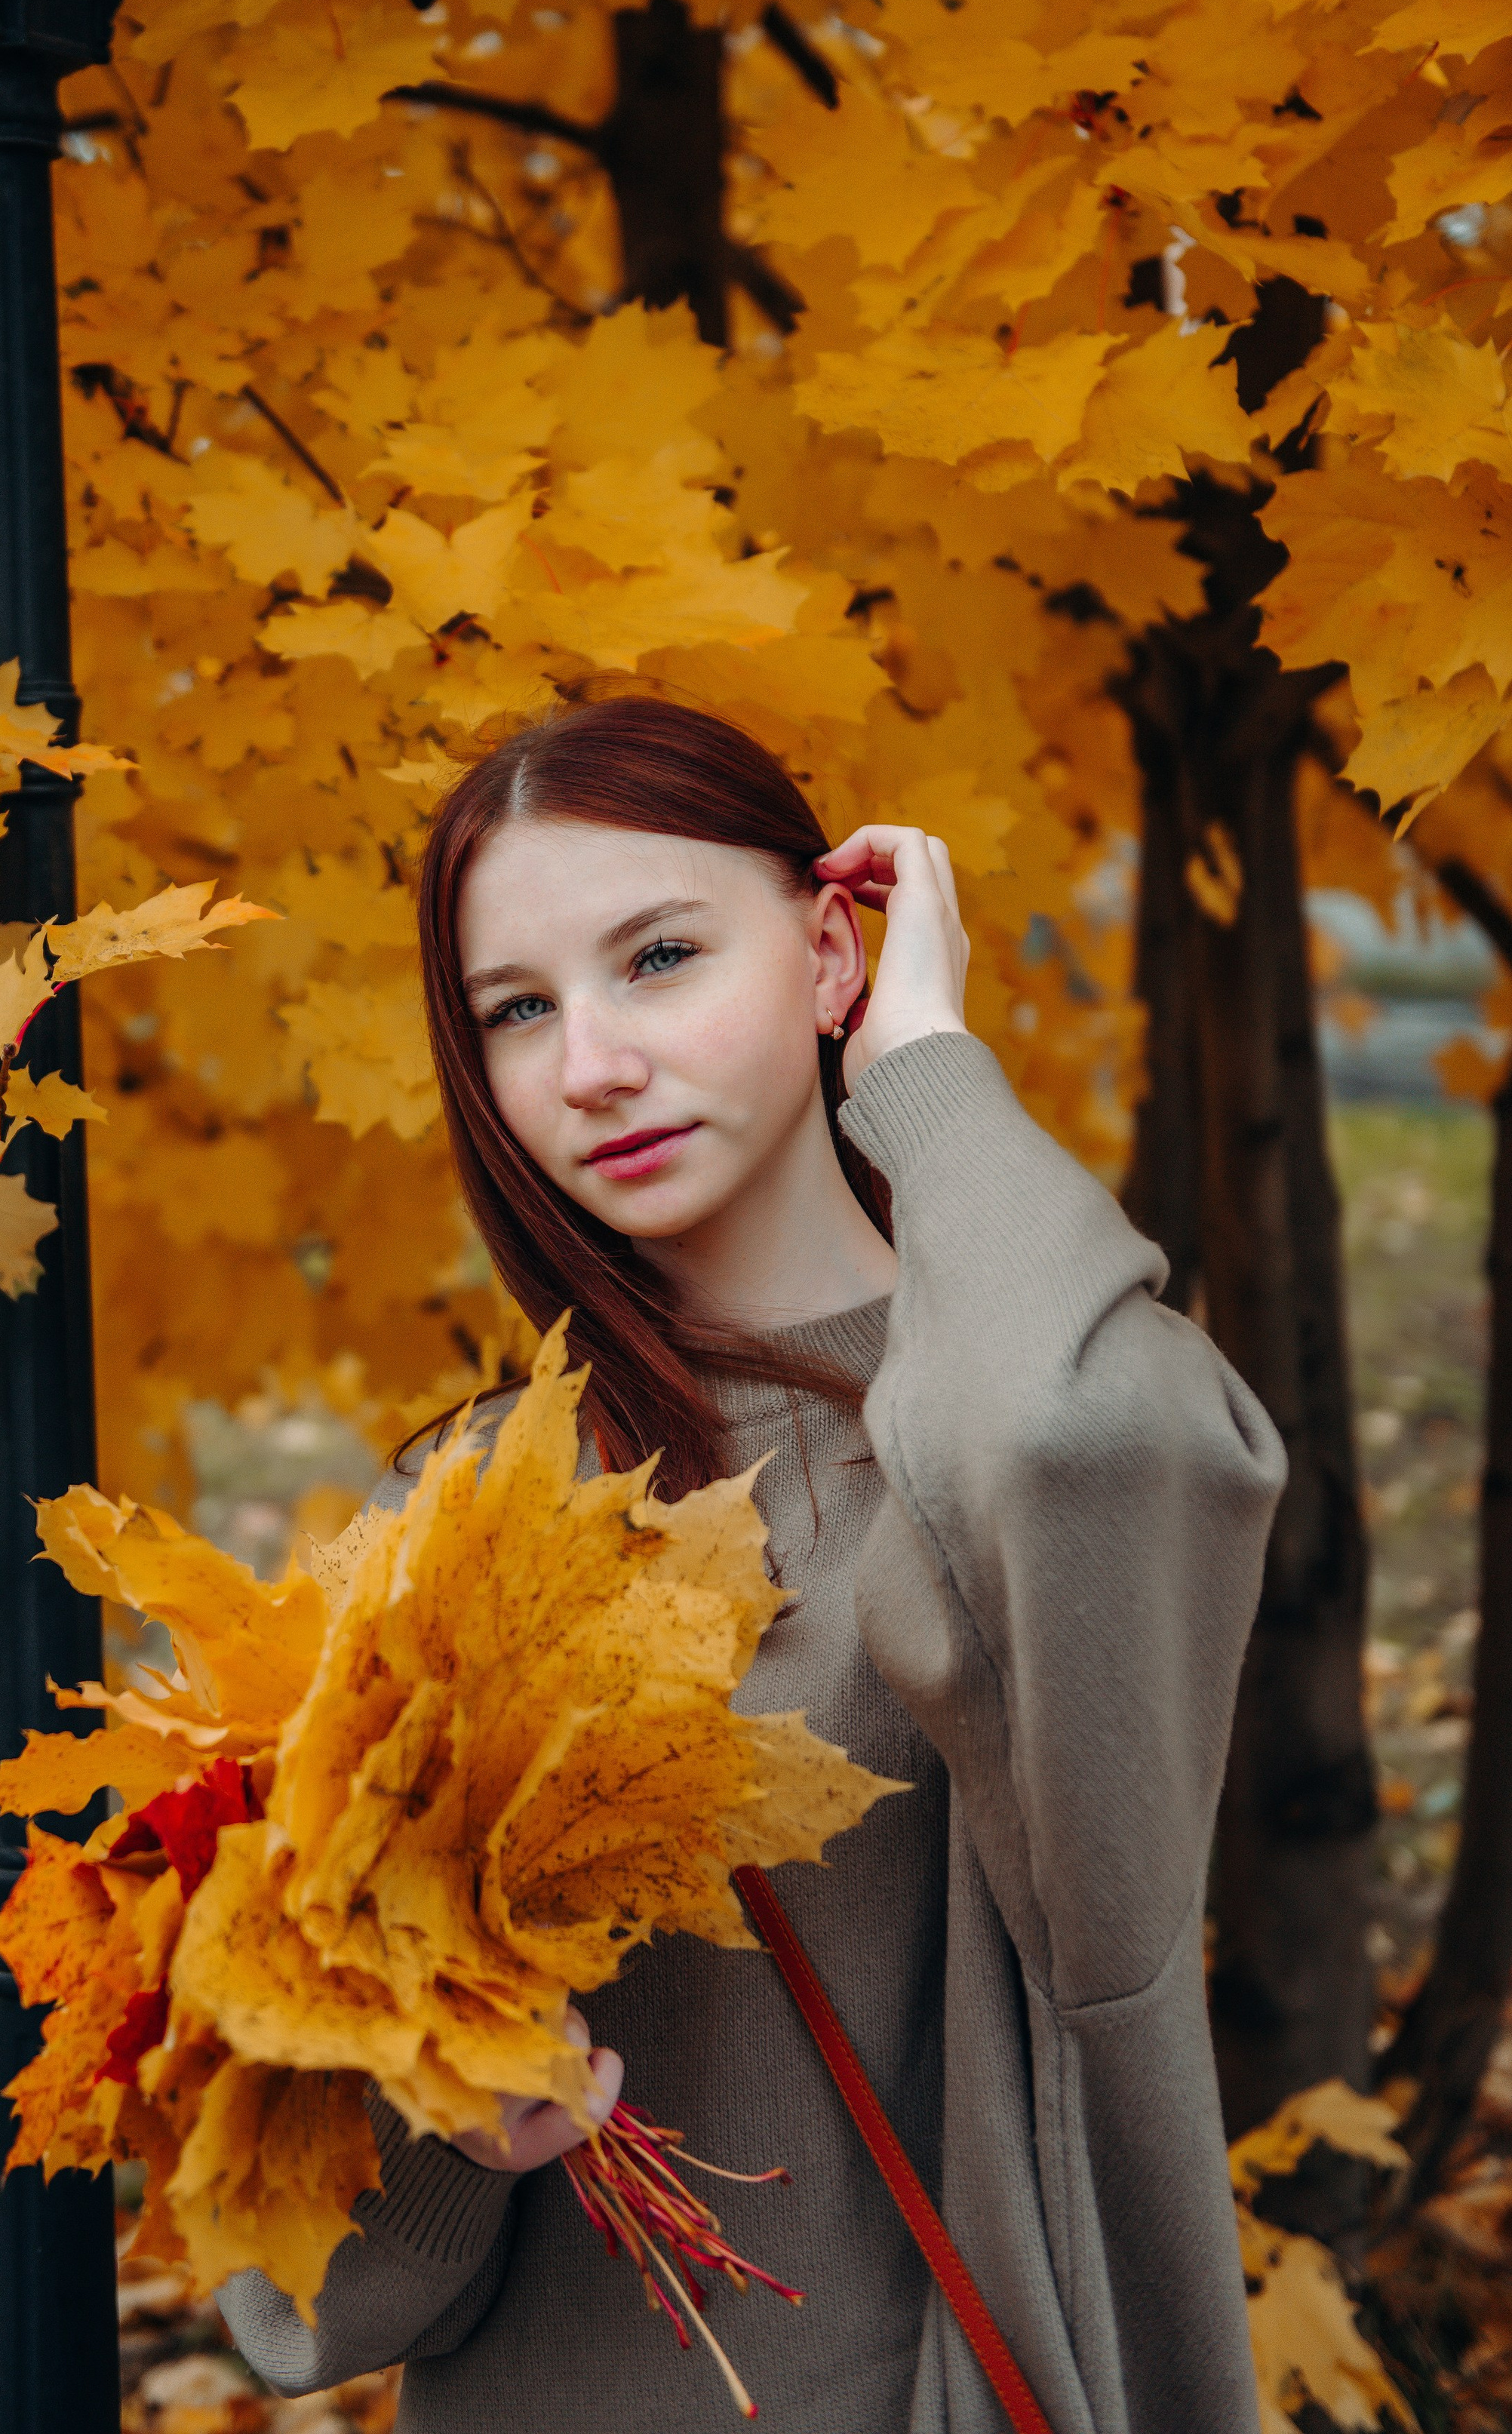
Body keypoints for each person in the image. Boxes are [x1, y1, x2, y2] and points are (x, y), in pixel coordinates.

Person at [223, 696, 1285, 2434]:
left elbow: (1054, 1443)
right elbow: (298, 2301)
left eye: (655, 957)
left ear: (822, 954)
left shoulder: (1065, 1396)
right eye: (515, 1010)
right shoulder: (475, 1503)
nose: (588, 1065)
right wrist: (446, 2126)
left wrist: (925, 1061)